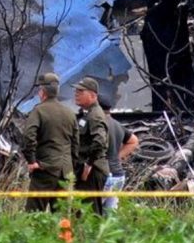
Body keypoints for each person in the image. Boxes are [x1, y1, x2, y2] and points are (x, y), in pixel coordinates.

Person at [22, 73, 79, 212]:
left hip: (45, 169)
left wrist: (31, 161)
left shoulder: (39, 111)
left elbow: (28, 137)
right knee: (62, 217)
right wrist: (71, 166)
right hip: (66, 172)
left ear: (42, 92)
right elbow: (76, 144)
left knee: (34, 214)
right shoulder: (70, 113)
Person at [73, 77, 109, 215]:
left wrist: (88, 164)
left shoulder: (95, 115)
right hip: (85, 169)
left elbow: (100, 141)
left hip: (92, 171)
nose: (76, 93)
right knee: (81, 211)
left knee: (89, 213)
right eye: (76, 90)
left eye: (81, 91)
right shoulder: (86, 114)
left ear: (93, 95)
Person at [100, 98, 139, 212]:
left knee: (92, 213)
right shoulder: (117, 124)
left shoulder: (99, 124)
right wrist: (118, 157)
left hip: (105, 175)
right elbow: (134, 141)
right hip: (118, 176)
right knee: (111, 215)